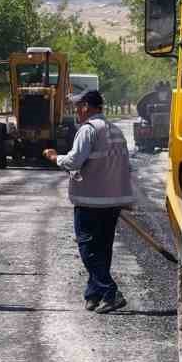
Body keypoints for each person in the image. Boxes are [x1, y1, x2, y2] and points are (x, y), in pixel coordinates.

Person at [44, 89, 137, 313]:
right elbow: (125, 166)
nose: (75, 110)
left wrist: (56, 158)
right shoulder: (115, 130)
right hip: (111, 201)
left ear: (87, 106)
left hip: (90, 201)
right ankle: (94, 294)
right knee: (103, 249)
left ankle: (110, 292)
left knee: (87, 248)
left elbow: (75, 161)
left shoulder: (88, 130)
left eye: (78, 106)